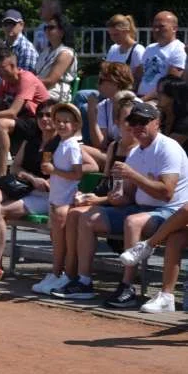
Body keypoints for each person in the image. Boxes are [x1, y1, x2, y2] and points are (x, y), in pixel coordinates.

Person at [52, 102, 188, 306]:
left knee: (133, 222)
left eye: (144, 122)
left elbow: (167, 193)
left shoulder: (169, 148)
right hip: (141, 209)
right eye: (133, 122)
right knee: (84, 216)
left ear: (157, 123)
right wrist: (116, 198)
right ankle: (83, 281)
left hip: (170, 211)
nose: (138, 127)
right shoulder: (135, 153)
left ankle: (127, 287)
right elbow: (129, 196)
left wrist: (132, 175)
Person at [53, 92, 139, 295]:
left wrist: (97, 199)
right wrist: (86, 195)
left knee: (79, 215)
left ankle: (79, 279)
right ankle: (72, 276)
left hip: (127, 205)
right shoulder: (113, 147)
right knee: (72, 212)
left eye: (134, 120)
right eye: (125, 120)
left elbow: (129, 195)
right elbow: (106, 183)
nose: (130, 125)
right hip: (110, 201)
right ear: (117, 122)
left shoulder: (140, 151)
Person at [0, 100, 60, 280]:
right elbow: (16, 167)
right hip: (26, 188)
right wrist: (32, 178)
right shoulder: (33, 138)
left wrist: (50, 178)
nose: (44, 119)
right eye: (40, 115)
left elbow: (84, 165)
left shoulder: (61, 143)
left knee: (0, 212)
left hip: (46, 196)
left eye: (49, 115)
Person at [0, 48, 50, 178]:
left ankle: (1, 176)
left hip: (38, 120)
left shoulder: (26, 79)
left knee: (2, 124)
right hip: (22, 120)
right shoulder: (4, 82)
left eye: (1, 68)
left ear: (13, 66)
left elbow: (12, 112)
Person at [36, 103, 85, 292]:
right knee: (57, 242)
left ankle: (64, 275)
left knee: (64, 243)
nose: (62, 125)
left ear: (75, 125)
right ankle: (56, 273)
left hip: (65, 199)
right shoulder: (60, 144)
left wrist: (54, 170)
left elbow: (77, 174)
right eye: (59, 121)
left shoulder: (73, 146)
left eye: (66, 122)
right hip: (56, 198)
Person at [136, 11, 186, 100]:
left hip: (159, 100)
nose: (156, 30)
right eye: (154, 27)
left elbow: (169, 84)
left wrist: (143, 100)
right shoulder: (150, 48)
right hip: (140, 97)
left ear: (174, 28)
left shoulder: (178, 49)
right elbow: (139, 76)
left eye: (161, 26)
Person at [33, 13, 77, 102]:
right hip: (38, 90)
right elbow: (34, 73)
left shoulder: (66, 53)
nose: (47, 31)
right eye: (46, 28)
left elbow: (50, 82)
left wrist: (28, 83)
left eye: (51, 28)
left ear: (62, 32)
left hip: (55, 94)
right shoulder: (45, 52)